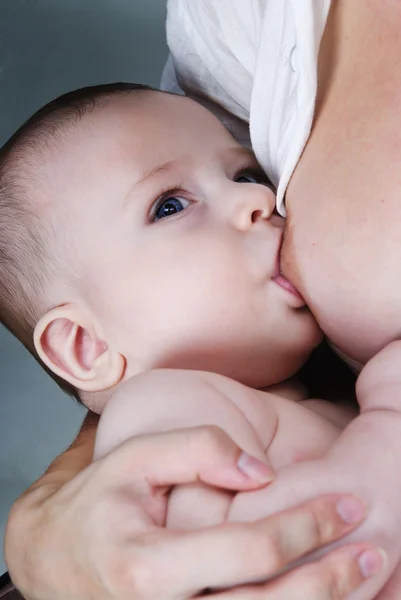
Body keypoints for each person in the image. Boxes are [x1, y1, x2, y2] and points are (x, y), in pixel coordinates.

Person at [6, 0, 401, 597]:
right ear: (85, 345)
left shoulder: (253, 406)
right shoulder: (168, 414)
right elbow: (299, 546)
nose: (260, 200)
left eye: (245, 173)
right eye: (170, 205)